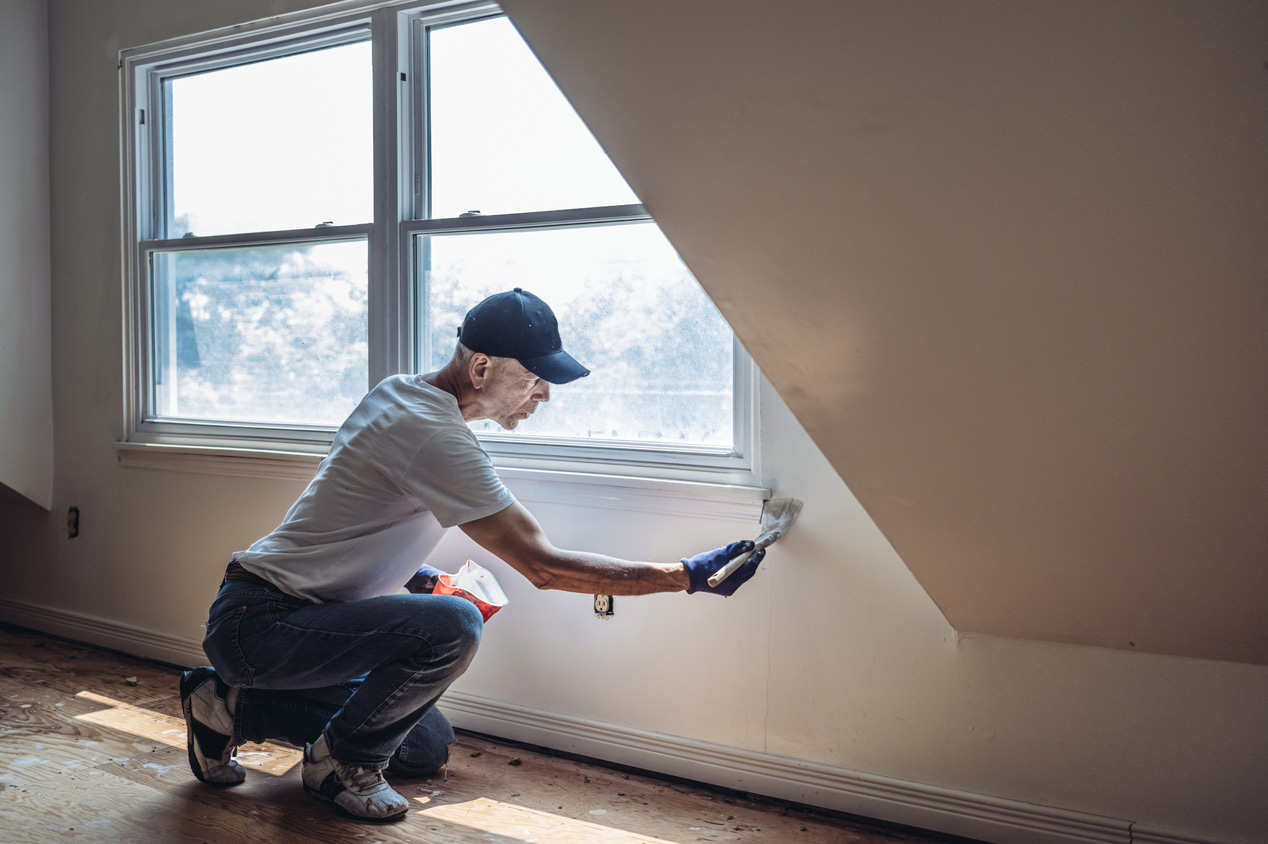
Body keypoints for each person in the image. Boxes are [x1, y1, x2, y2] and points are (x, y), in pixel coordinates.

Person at [180, 288, 765, 822]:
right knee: (453, 626)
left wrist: (416, 576)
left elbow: (351, 518)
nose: (545, 394)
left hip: (286, 617)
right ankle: (336, 767)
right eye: (534, 378)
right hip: (266, 624)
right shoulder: (435, 435)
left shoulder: (401, 392)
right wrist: (685, 576)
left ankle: (227, 705)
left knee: (422, 748)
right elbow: (545, 566)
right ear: (480, 367)